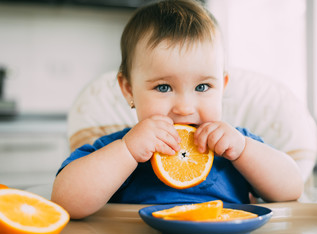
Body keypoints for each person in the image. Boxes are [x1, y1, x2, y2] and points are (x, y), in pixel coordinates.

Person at [51, 0, 303, 219]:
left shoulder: (236, 147)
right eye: (163, 87)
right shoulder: (118, 148)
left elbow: (292, 188)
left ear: (222, 87)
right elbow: (65, 202)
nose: (184, 108)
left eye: (203, 86)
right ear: (129, 90)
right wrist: (127, 151)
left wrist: (244, 151)